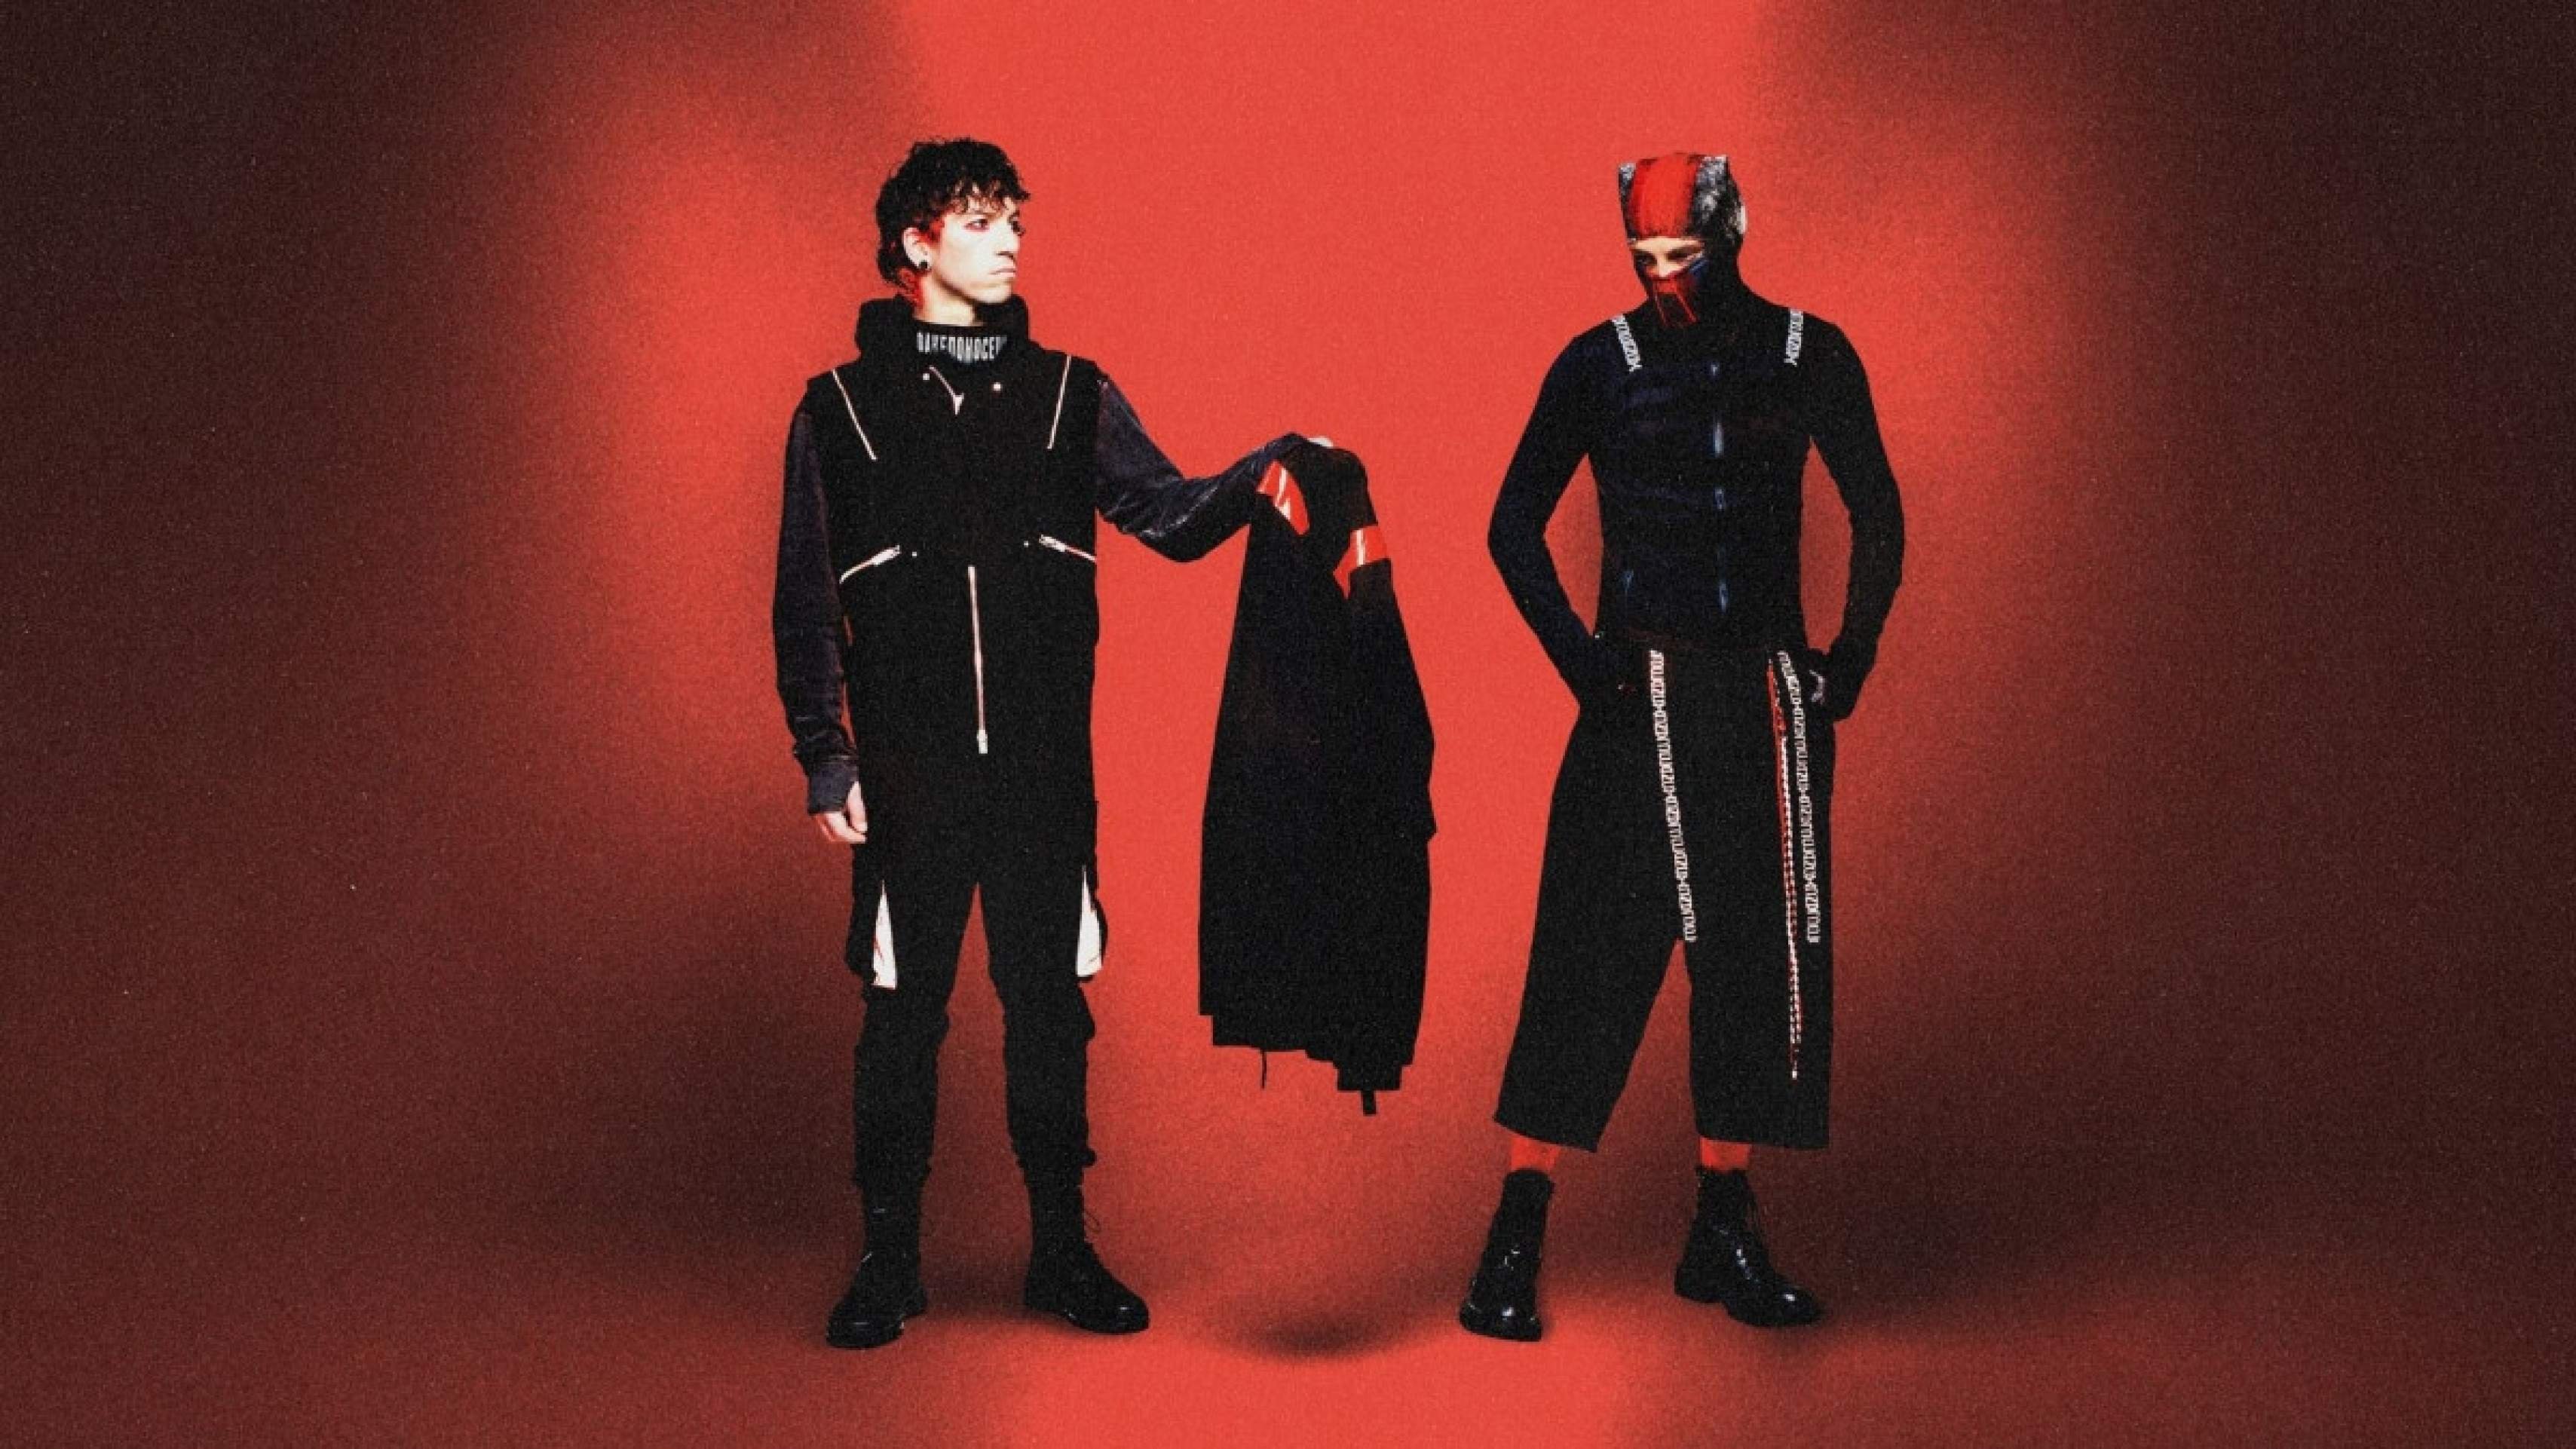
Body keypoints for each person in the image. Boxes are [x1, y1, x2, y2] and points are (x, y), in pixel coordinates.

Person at [773, 137, 1350, 1349]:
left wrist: (1269, 470)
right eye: (980, 220)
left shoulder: (1072, 392)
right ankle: (887, 1259)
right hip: (909, 773)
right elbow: (805, 592)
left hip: (1042, 775)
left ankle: (1061, 1250)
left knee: (1049, 1010)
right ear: (915, 243)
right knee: (900, 1014)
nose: (1010, 241)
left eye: (1014, 221)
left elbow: (1169, 514)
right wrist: (827, 751)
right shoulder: (836, 408)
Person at [1459, 152, 1904, 1339]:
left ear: (1730, 238)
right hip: (1635, 689)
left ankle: (1723, 1222)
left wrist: (1845, 659)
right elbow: (1509, 525)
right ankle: (1515, 1229)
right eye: (1645, 259)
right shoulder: (1598, 362)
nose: (1664, 281)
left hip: (1759, 695)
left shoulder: (1807, 353)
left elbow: (1877, 508)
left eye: (1684, 258)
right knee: (1586, 956)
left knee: (1752, 960)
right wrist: (1582, 662)